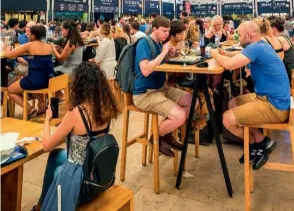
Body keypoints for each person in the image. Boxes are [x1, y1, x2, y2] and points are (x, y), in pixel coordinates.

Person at [33, 62, 119, 211]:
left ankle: (44, 205)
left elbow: (46, 145)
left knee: (57, 169)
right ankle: (41, 204)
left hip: (81, 179)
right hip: (96, 169)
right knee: (56, 155)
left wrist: (47, 119)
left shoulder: (77, 113)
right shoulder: (105, 107)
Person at [211, 21, 290, 170]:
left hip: (274, 106)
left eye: (240, 34)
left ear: (248, 35)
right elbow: (239, 54)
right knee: (233, 103)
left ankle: (255, 145)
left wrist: (214, 53)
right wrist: (225, 53)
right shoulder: (261, 45)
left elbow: (229, 65)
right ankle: (260, 141)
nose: (238, 37)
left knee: (227, 119)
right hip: (269, 98)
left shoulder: (255, 48)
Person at [133, 16, 192, 157]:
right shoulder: (144, 43)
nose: (167, 34)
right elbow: (146, 70)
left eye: (168, 31)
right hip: (144, 94)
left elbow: (158, 64)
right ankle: (157, 137)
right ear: (154, 29)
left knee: (192, 100)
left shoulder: (159, 43)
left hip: (160, 89)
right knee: (180, 115)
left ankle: (165, 133)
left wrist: (168, 56)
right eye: (164, 31)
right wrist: (164, 52)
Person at [166, 21, 210, 131]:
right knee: (201, 93)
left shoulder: (182, 44)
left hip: (184, 79)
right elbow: (168, 70)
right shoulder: (167, 47)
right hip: (172, 84)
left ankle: (193, 127)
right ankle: (187, 127)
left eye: (183, 33)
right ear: (172, 34)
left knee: (206, 90)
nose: (183, 36)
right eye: (180, 34)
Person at [6, 25, 54, 119]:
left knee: (10, 90)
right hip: (48, 80)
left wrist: (8, 46)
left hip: (35, 81)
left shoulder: (29, 45)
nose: (27, 35)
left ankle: (29, 109)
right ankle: (41, 103)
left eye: (29, 34)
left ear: (33, 36)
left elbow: (9, 55)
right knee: (28, 77)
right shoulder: (49, 45)